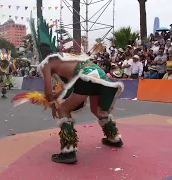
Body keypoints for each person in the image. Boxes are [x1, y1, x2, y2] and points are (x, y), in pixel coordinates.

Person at [27, 16, 124, 164]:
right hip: (97, 74)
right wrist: (56, 98)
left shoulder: (47, 63)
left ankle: (68, 151)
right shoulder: (64, 57)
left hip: (86, 76)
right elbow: (69, 87)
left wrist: (52, 103)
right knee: (97, 111)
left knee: (63, 110)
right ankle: (114, 138)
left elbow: (48, 91)